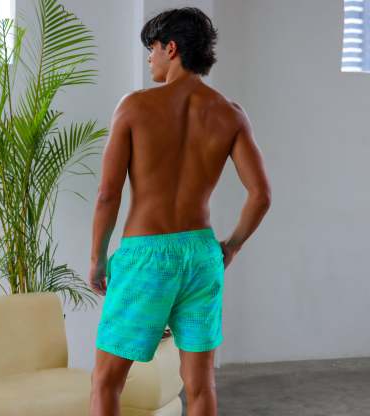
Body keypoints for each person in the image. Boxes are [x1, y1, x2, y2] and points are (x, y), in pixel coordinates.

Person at [88, 6, 271, 416]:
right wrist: (231, 247)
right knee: (200, 386)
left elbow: (107, 195)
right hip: (202, 257)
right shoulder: (230, 113)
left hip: (146, 258)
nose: (149, 59)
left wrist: (97, 259)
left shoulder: (134, 107)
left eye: (151, 49)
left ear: (170, 48)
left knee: (106, 381)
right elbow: (261, 195)